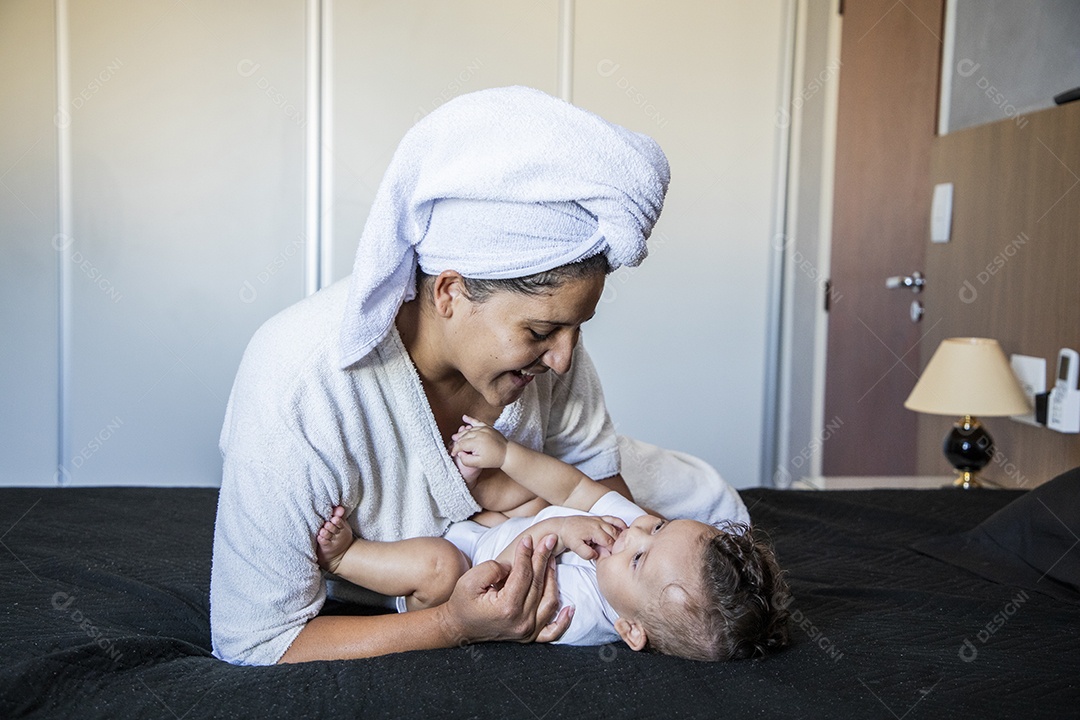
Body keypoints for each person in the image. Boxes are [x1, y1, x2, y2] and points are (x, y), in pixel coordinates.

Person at [210, 86, 747, 666]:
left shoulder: (554, 356)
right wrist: (449, 624)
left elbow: (600, 504)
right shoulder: (300, 385)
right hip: (436, 562)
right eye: (541, 333)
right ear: (449, 292)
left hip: (582, 500)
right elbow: (257, 642)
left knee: (714, 520)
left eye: (577, 330)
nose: (563, 360)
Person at [314, 416, 792, 661]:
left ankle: (345, 562)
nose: (637, 533)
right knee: (537, 497)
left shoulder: (579, 615)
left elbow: (493, 582)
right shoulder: (632, 530)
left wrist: (557, 530)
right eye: (662, 526)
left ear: (630, 630)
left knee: (437, 564)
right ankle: (477, 484)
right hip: (494, 527)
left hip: (466, 573)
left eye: (639, 562)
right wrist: (507, 455)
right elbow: (575, 487)